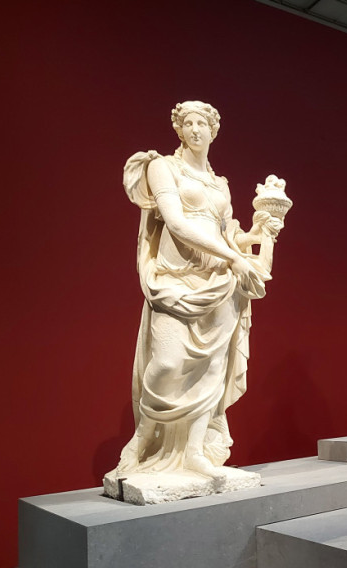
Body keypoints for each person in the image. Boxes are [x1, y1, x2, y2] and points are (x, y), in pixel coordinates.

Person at [111, 101, 280, 486]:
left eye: (202, 123)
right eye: (187, 123)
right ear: (179, 130)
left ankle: (195, 452)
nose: (195, 129)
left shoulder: (220, 184)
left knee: (212, 369)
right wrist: (233, 258)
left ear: (213, 130)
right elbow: (175, 222)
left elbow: (225, 233)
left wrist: (254, 235)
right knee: (167, 363)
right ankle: (142, 440)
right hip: (175, 279)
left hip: (218, 282)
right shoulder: (162, 167)